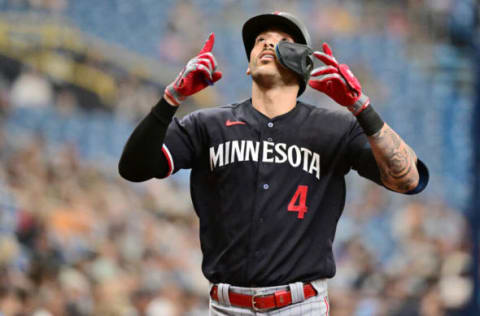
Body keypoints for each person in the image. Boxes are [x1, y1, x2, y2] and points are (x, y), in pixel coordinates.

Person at [119, 12, 429, 315]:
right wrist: (172, 98)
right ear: (248, 65)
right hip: (225, 306)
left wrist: (361, 108)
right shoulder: (208, 124)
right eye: (260, 40)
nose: (267, 44)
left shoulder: (335, 128)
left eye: (283, 41)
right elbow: (134, 168)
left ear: (303, 64)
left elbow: (408, 179)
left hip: (300, 306)